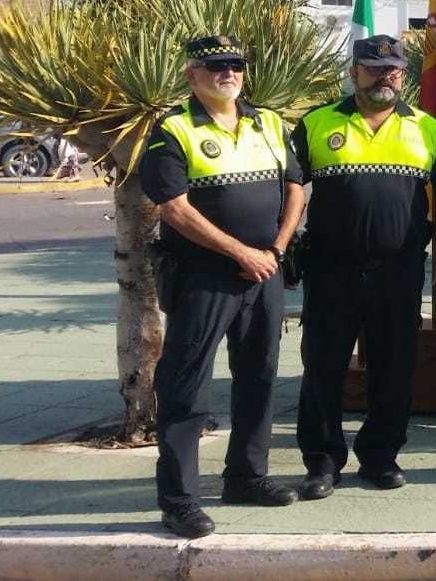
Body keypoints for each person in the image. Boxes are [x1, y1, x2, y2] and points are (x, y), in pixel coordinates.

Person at [140, 35, 305, 538]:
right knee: (185, 386)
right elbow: (174, 208)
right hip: (203, 277)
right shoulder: (173, 129)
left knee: (259, 376)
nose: (227, 73)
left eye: (235, 65)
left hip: (266, 272)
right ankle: (179, 500)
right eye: (215, 66)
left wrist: (274, 250)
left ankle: (246, 478)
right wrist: (242, 253)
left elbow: (296, 185)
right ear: (193, 75)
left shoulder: (268, 122)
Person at [291, 35, 436, 500]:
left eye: (392, 70)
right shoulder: (315, 123)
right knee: (323, 366)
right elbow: (289, 189)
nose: (384, 76)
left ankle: (381, 456)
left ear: (403, 75)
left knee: (394, 367)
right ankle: (323, 460)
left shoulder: (427, 128)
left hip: (399, 270)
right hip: (331, 270)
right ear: (354, 72)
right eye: (373, 68)